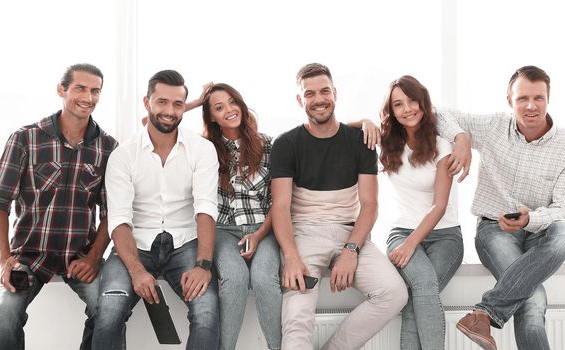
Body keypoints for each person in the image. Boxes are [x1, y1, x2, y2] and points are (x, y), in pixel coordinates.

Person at [437, 65, 565, 350]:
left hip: (541, 233)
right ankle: (484, 314)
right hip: (494, 230)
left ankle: (484, 312)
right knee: (532, 300)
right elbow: (434, 113)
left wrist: (531, 218)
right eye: (522, 98)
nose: (530, 106)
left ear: (548, 99)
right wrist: (462, 137)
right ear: (510, 100)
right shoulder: (493, 127)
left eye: (538, 98)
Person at [270, 62, 408, 350]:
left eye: (324, 91)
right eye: (310, 94)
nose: (318, 99)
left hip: (349, 234)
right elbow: (281, 207)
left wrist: (351, 250)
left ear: (335, 93)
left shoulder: (360, 141)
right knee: (297, 317)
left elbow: (370, 205)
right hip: (304, 235)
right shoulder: (286, 144)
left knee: (394, 293)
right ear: (300, 100)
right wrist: (291, 256)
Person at [0, 63, 118, 350]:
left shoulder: (108, 148)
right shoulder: (25, 138)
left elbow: (112, 212)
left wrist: (94, 258)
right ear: (62, 89)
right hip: (29, 255)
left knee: (109, 309)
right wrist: (5, 259)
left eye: (95, 91)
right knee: (5, 313)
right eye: (80, 88)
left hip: (80, 255)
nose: (88, 97)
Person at [92, 70, 220, 350]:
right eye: (161, 102)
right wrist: (137, 272)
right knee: (109, 312)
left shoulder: (202, 149)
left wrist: (203, 265)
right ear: (147, 102)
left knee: (207, 314)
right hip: (135, 244)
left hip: (186, 242)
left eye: (177, 104)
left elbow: (206, 209)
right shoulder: (123, 155)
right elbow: (120, 220)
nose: (169, 111)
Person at [379, 76, 464, 350]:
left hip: (445, 236)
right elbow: (342, 130)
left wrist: (411, 244)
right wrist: (365, 123)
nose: (407, 108)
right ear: (391, 111)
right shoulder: (385, 143)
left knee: (421, 293)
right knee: (423, 289)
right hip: (401, 232)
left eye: (412, 100)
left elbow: (439, 206)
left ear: (423, 102)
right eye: (398, 104)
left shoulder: (443, 146)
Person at [201, 83, 281, 350]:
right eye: (219, 107)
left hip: (264, 228)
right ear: (211, 116)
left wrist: (258, 235)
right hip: (224, 230)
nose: (229, 110)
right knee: (234, 279)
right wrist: (197, 101)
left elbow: (277, 202)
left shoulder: (268, 145)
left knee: (263, 279)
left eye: (233, 102)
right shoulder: (204, 149)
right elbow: (151, 126)